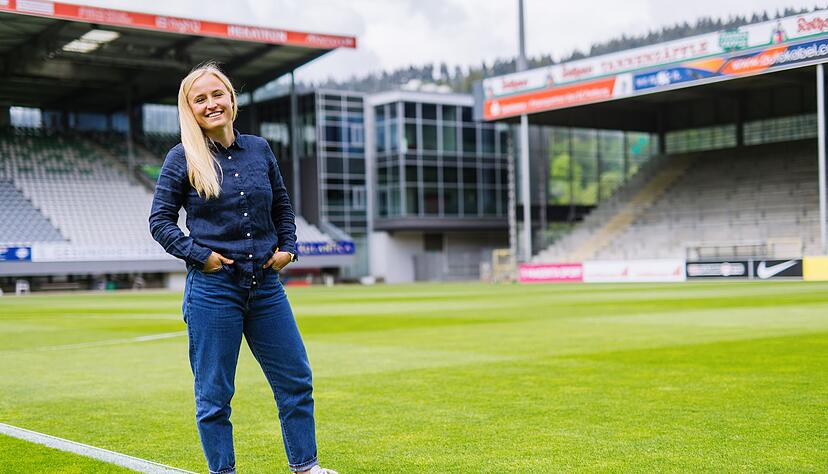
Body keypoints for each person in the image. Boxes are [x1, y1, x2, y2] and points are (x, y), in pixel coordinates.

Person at [149, 62, 336, 474]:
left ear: (231, 99)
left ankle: (306, 467)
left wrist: (289, 249)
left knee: (296, 381)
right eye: (200, 99)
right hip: (214, 290)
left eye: (217, 94)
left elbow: (282, 205)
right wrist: (202, 256)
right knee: (214, 395)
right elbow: (160, 222)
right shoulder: (182, 157)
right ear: (190, 109)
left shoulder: (259, 149)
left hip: (266, 288)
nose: (211, 104)